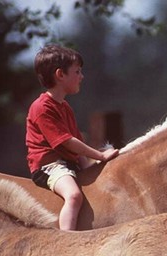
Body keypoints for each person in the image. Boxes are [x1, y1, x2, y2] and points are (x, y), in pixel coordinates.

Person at [26, 44, 119, 231]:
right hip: (49, 167)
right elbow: (67, 141)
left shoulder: (65, 107)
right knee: (74, 196)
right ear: (60, 75)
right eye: (77, 72)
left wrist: (87, 167)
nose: (81, 77)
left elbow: (77, 142)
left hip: (68, 163)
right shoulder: (42, 107)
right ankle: (67, 240)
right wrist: (100, 156)